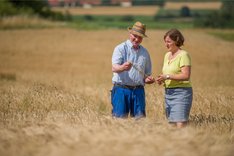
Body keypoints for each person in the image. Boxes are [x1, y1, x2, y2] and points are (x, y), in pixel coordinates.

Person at [111, 21, 155, 119]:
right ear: (130, 34)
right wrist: (123, 67)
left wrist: (148, 80)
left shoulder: (145, 53)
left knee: (140, 121)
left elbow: (146, 75)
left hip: (138, 91)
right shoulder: (120, 48)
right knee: (119, 121)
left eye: (140, 37)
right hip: (121, 89)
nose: (137, 39)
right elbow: (114, 68)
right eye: (134, 36)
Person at [156, 28, 193, 128]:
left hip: (181, 93)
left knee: (180, 124)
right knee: (171, 126)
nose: (166, 44)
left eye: (168, 41)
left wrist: (167, 76)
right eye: (165, 42)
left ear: (176, 41)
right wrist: (162, 79)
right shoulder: (167, 55)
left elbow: (186, 76)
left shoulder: (184, 55)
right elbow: (168, 74)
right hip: (168, 93)